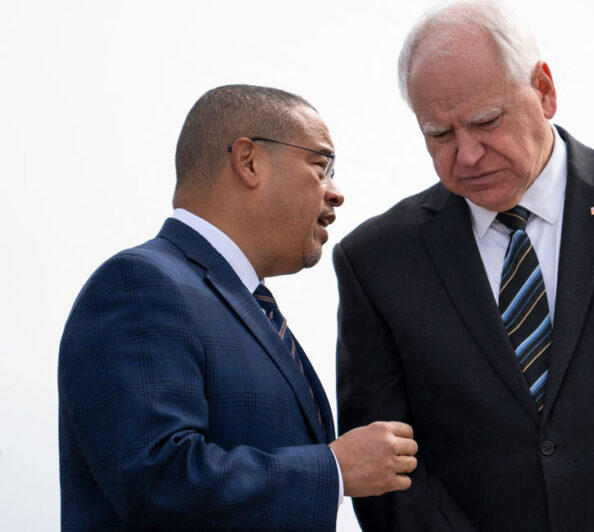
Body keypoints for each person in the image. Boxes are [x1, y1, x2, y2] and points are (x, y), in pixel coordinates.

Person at [334, 1, 594, 530]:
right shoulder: (375, 261)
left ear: (544, 90)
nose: (467, 154)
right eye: (439, 135)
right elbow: (385, 468)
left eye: (486, 121)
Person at [58, 84, 418, 531]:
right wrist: (335, 469)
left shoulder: (244, 305)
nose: (336, 192)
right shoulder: (140, 284)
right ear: (248, 162)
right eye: (321, 165)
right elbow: (159, 479)